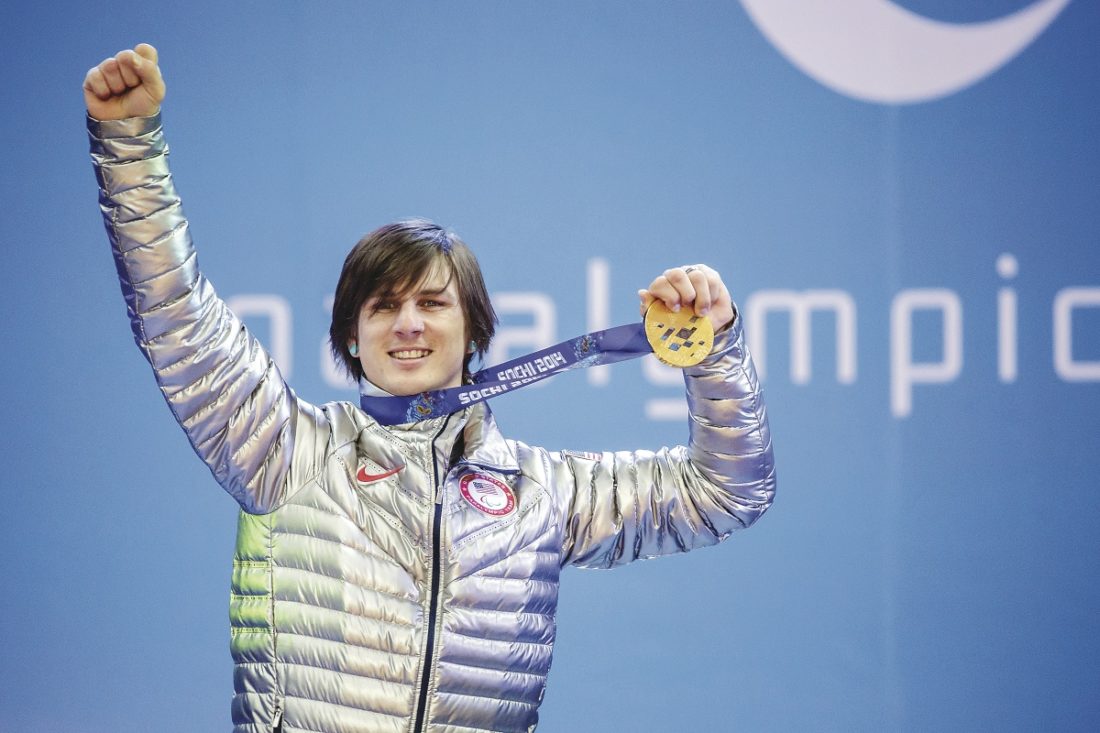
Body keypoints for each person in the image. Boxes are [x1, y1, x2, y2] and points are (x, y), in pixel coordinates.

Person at [85, 44, 776, 733]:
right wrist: (129, 146)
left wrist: (714, 349)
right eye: (383, 306)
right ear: (351, 336)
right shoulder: (288, 451)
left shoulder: (541, 493)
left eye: (433, 304)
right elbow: (176, 315)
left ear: (474, 330)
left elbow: (726, 492)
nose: (408, 324)